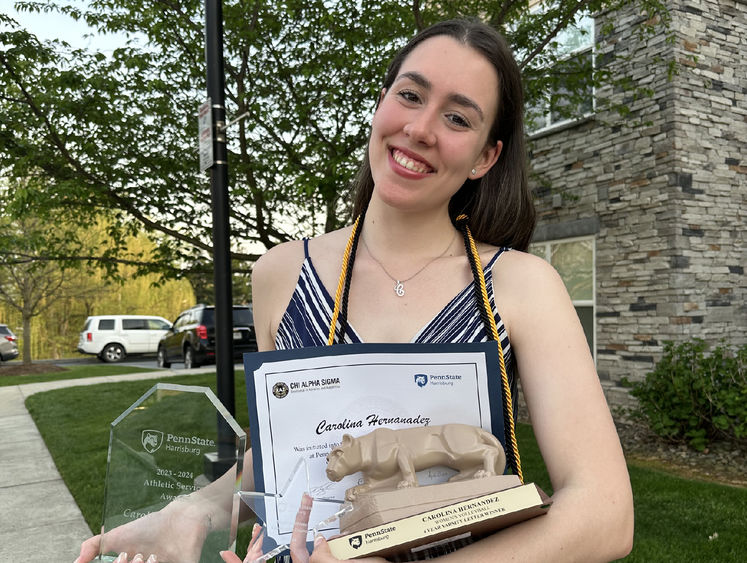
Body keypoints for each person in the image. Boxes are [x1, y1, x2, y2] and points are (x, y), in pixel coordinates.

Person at [77, 17, 633, 563]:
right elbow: (288, 455)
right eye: (411, 95)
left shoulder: (521, 285)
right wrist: (194, 510)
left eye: (458, 118)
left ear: (486, 156)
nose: (420, 128)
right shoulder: (280, 273)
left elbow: (604, 512)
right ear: (381, 102)